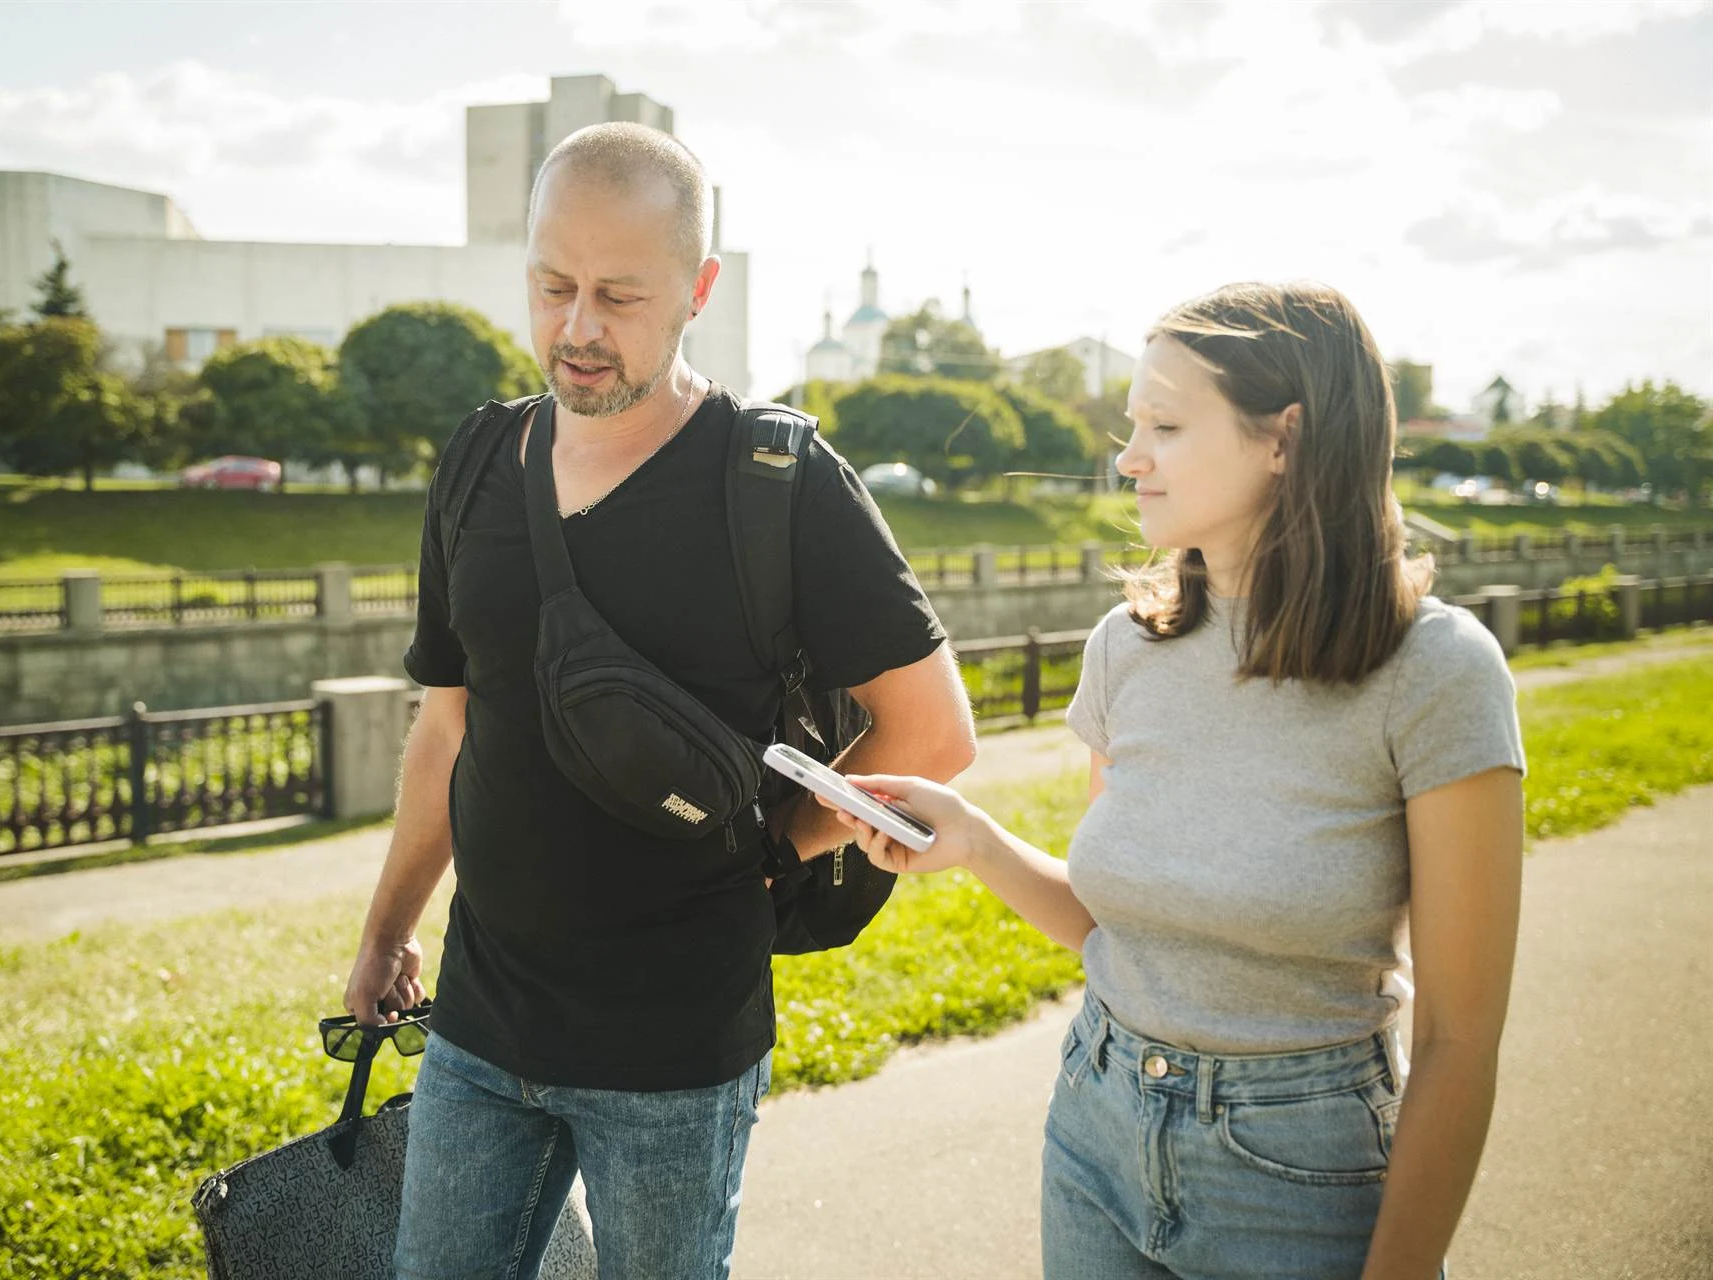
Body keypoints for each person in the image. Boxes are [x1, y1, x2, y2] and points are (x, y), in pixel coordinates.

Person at [343, 121, 977, 1280]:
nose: (577, 328)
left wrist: (773, 852)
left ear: (698, 288)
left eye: (619, 296)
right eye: (552, 285)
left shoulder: (779, 484)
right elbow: (448, 725)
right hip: (480, 1030)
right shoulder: (480, 461)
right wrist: (388, 932)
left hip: (677, 1050)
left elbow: (935, 731)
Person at [828, 282, 1525, 1280]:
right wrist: (975, 838)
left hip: (1302, 1174)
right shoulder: (1128, 647)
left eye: (1163, 423)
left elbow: (1461, 1038)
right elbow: (1129, 929)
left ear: (1283, 437)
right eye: (1132, 425)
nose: (1127, 456)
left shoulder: (1439, 673)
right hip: (1095, 1127)